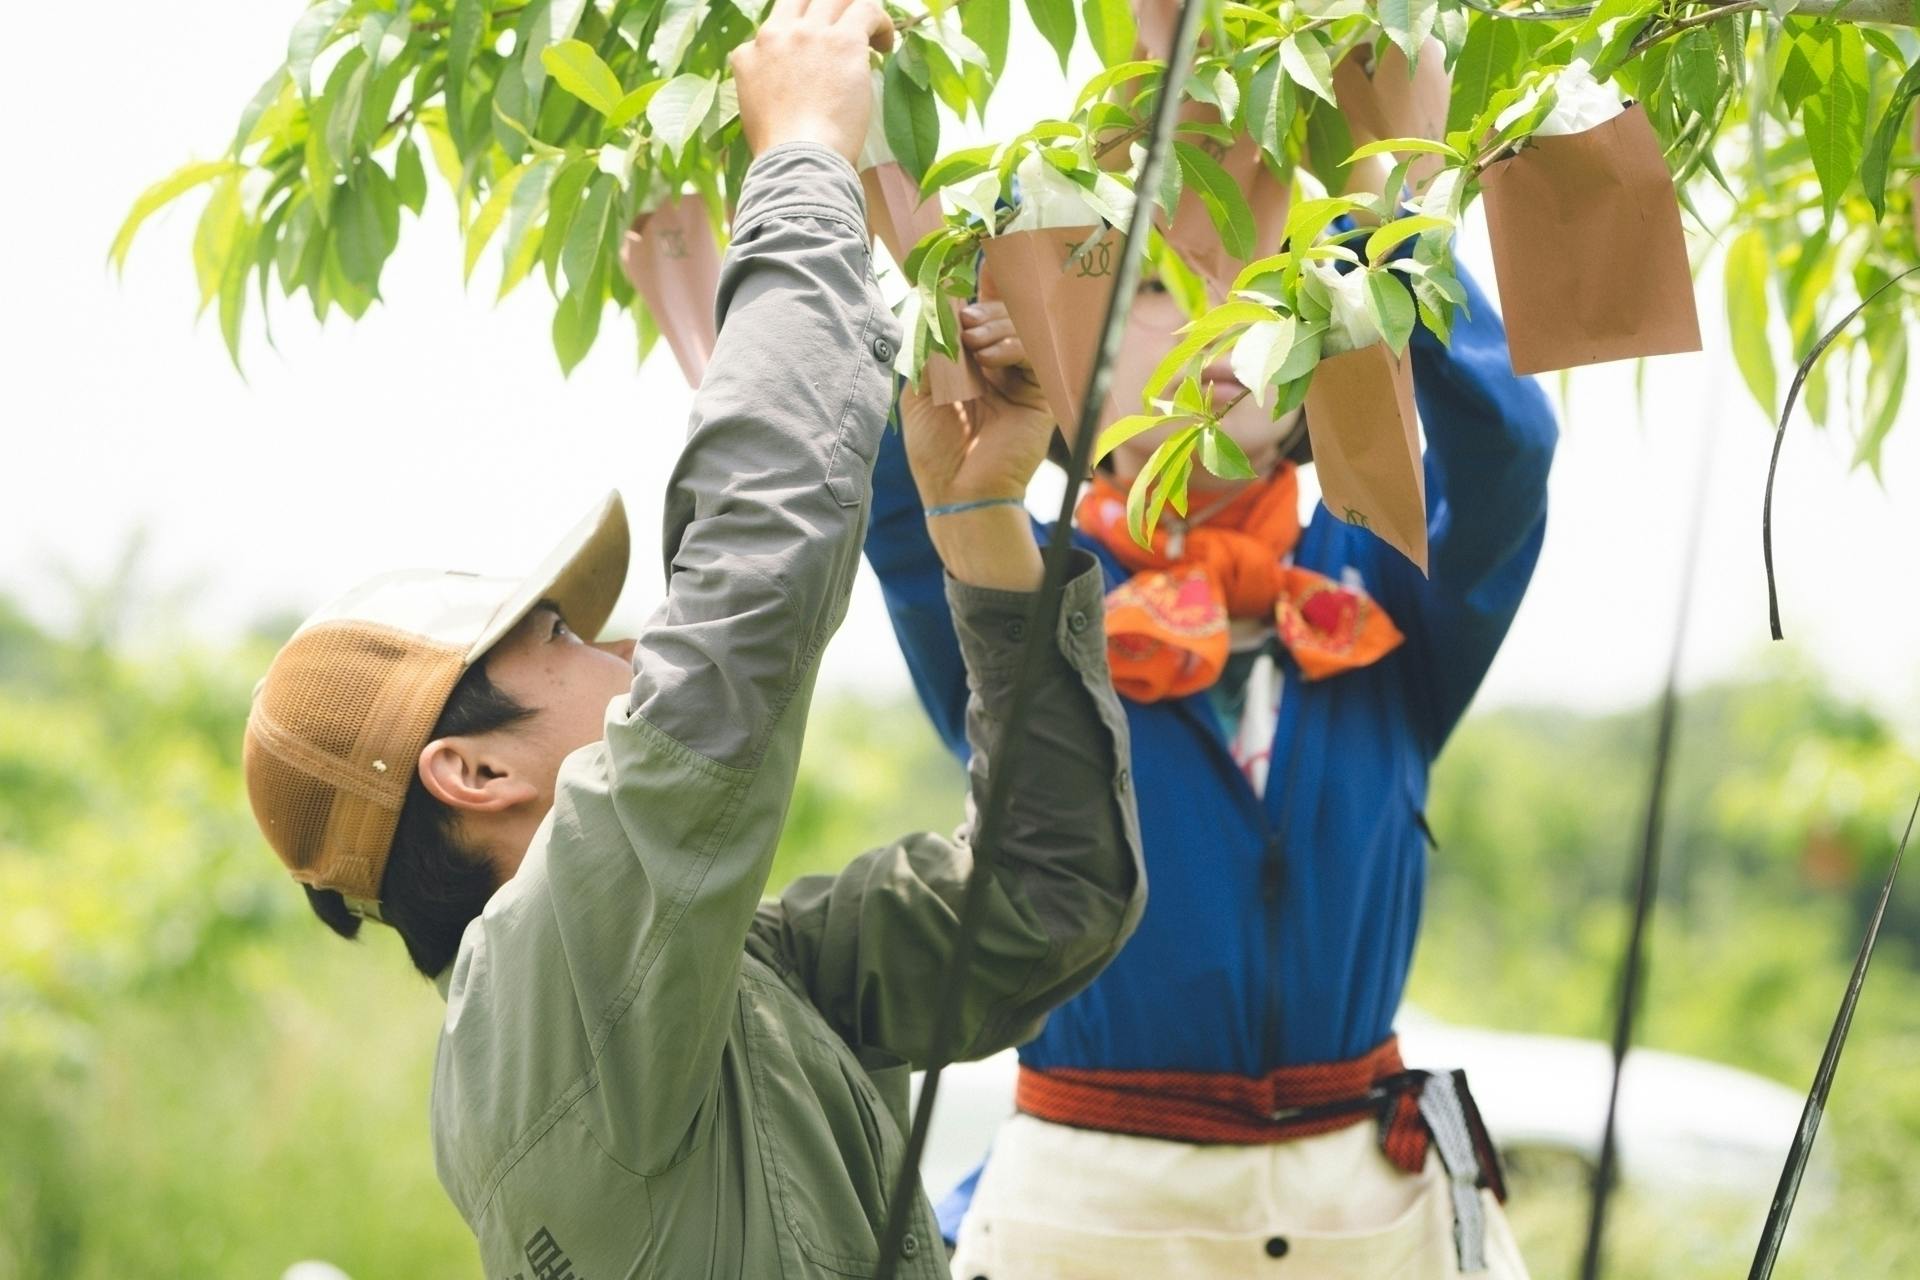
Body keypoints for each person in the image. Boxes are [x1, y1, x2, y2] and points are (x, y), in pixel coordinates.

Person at [238, 4, 1144, 1274]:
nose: (625, 645)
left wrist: (981, 513)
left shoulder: (696, 984)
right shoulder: (552, 985)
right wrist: (803, 165)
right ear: (474, 771)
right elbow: (751, 588)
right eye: (557, 634)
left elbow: (1049, 895)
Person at [865, 248, 1557, 1275]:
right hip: (1091, 1216)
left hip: (1365, 1219)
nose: (1219, 316)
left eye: (1271, 287)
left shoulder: (1390, 580)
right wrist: (943, 311)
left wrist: (1396, 225)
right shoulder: (1012, 599)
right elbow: (898, 499)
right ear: (1069, 345)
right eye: (1155, 287)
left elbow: (1508, 453)